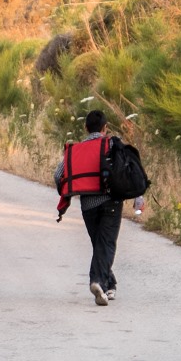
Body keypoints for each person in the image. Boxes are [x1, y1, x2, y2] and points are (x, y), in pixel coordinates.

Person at [54, 109, 145, 306]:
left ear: (86, 128)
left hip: (88, 206)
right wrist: (138, 196)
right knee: (106, 244)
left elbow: (58, 174)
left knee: (99, 245)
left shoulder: (75, 150)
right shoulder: (111, 143)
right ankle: (97, 281)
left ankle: (109, 285)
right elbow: (130, 170)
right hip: (111, 201)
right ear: (105, 128)